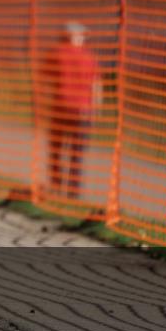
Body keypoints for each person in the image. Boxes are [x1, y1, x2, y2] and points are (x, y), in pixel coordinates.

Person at [44, 22, 102, 200]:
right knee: (77, 153)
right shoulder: (89, 57)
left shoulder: (55, 54)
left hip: (60, 108)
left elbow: (46, 80)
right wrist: (96, 109)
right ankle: (73, 191)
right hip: (82, 111)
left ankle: (56, 185)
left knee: (56, 149)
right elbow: (97, 85)